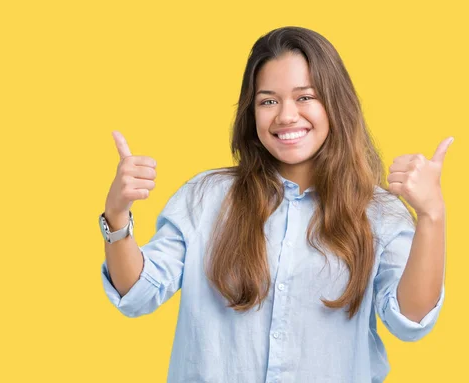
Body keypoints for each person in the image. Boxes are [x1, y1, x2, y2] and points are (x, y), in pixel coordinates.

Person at [98, 26, 451, 383]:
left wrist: (432, 215)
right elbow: (138, 293)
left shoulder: (379, 213)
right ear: (252, 113)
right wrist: (116, 215)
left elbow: (410, 320)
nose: (285, 116)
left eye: (305, 97)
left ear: (335, 103)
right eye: (268, 100)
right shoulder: (204, 197)